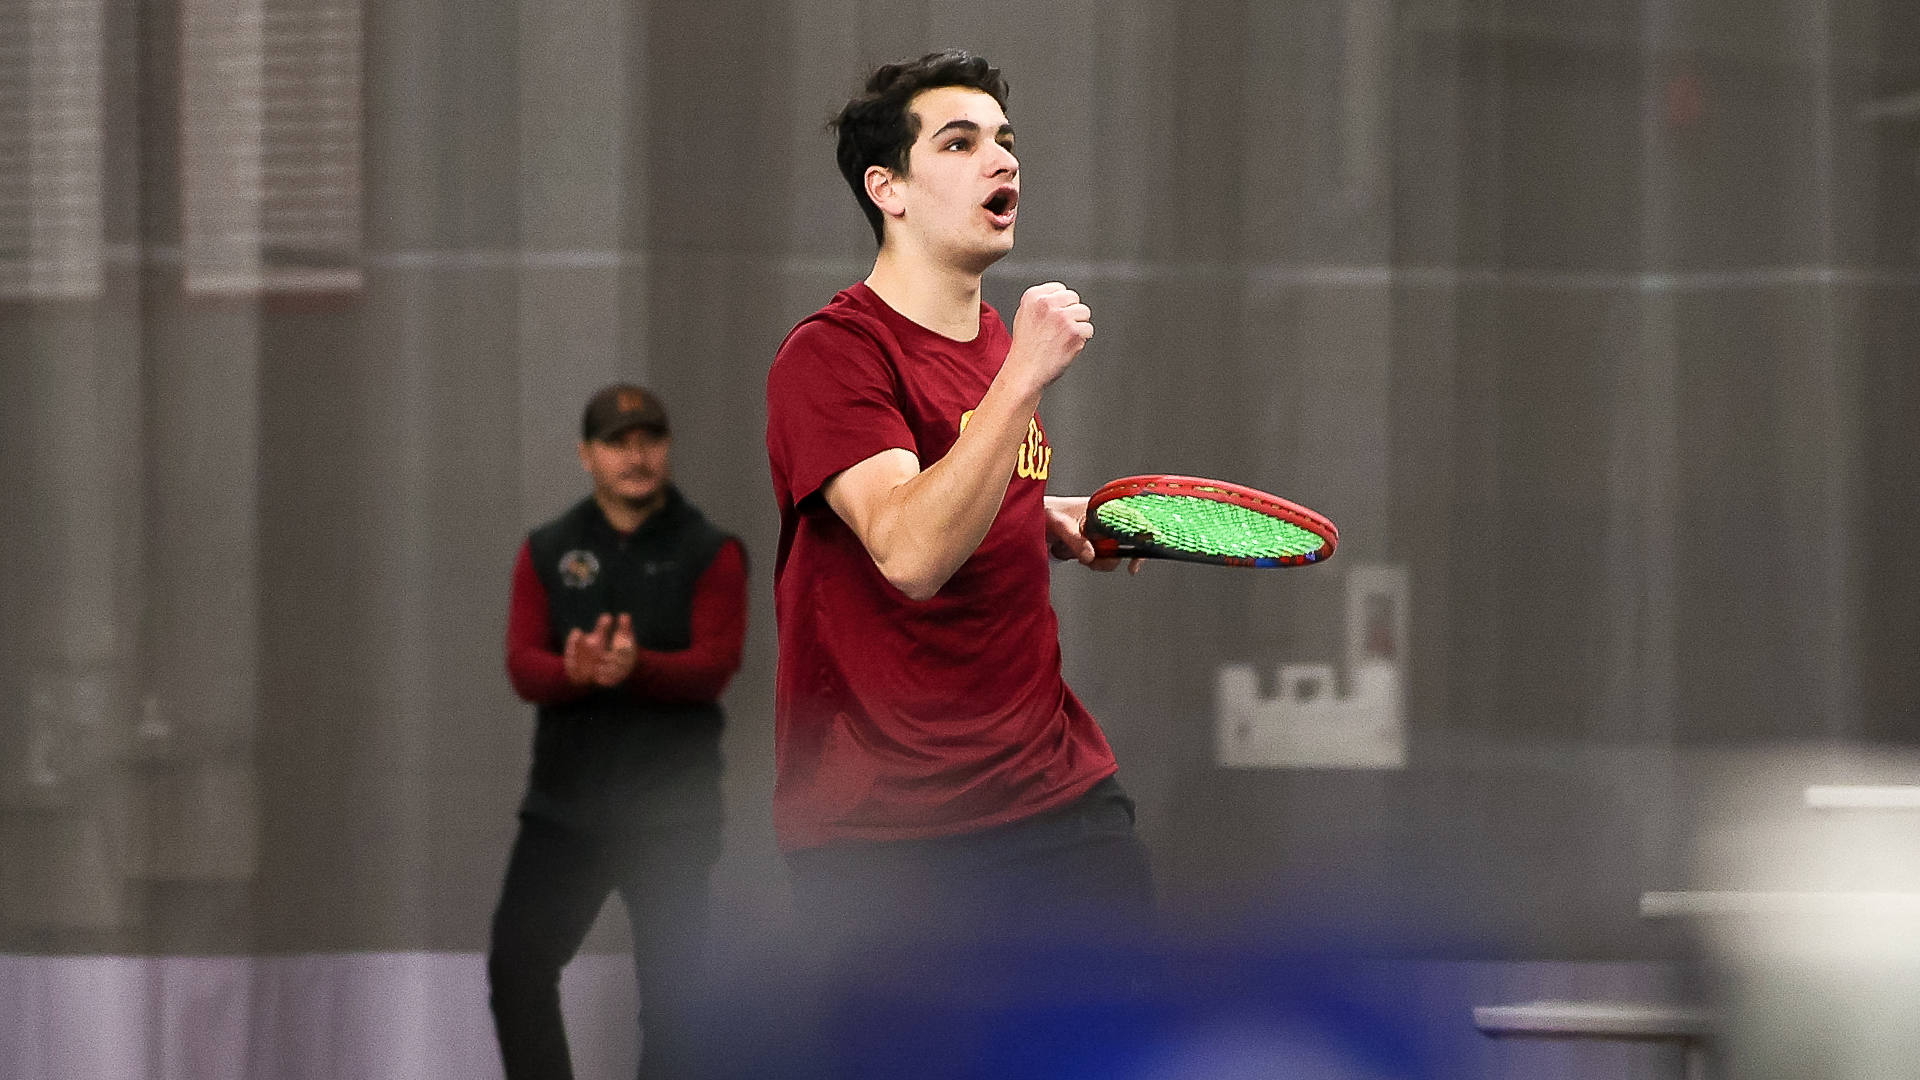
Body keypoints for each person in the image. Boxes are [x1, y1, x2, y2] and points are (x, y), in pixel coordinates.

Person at [763, 49, 1155, 1067]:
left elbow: (963, 492)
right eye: (961, 141)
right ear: (885, 190)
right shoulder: (832, 355)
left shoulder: (989, 343)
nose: (1000, 160)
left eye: (1007, 141)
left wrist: (1044, 516)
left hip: (1054, 799)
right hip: (884, 841)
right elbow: (905, 549)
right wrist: (1025, 374)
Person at [488, 384, 746, 1080]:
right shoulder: (549, 549)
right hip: (565, 813)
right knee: (517, 967)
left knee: (673, 1005)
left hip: (672, 817)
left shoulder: (710, 551)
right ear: (586, 455)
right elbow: (522, 665)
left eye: (649, 438)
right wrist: (571, 671)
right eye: (616, 441)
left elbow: (715, 667)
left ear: (666, 448)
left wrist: (640, 667)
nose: (636, 455)